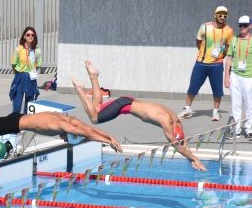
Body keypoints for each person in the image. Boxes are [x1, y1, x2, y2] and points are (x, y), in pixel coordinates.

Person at [71, 60, 207, 171]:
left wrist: (191, 158)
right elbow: (176, 144)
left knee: (97, 108)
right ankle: (79, 89)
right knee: (94, 118)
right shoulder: (168, 121)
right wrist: (194, 159)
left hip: (128, 102)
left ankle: (94, 76)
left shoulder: (176, 121)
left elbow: (182, 143)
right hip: (124, 105)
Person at [0, 111, 123, 153]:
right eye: (68, 139)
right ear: (71, 134)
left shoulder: (71, 120)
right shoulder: (68, 126)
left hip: (19, 118)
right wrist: (105, 141)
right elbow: (88, 134)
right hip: (16, 124)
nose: (64, 139)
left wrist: (109, 136)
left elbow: (89, 130)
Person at [179, 6, 234, 121]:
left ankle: (215, 112)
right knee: (193, 87)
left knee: (217, 90)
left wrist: (220, 56)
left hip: (217, 65)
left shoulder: (229, 30)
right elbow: (198, 41)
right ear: (215, 15)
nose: (222, 17)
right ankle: (187, 109)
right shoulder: (205, 26)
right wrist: (204, 54)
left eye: (225, 15)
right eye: (220, 15)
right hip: (201, 64)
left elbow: (228, 46)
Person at [224, 15, 252, 139]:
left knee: (250, 104)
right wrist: (226, 77)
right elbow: (229, 59)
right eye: (240, 25)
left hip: (249, 77)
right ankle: (235, 129)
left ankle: (250, 129)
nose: (242, 27)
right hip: (235, 75)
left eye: (245, 25)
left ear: (250, 26)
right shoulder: (234, 40)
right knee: (236, 104)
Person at [9, 27, 42, 114]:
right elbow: (13, 63)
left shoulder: (37, 51)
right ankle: (15, 121)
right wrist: (18, 74)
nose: (30, 36)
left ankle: (26, 121)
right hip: (20, 75)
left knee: (30, 101)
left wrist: (31, 72)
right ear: (24, 36)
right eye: (28, 34)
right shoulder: (18, 49)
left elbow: (38, 65)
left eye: (32, 35)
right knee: (17, 101)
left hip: (31, 76)